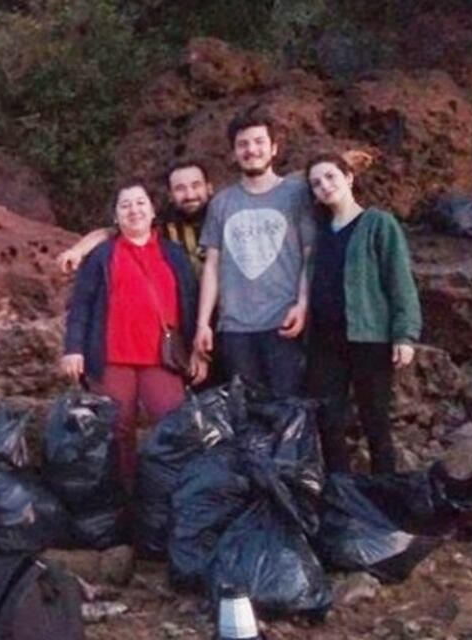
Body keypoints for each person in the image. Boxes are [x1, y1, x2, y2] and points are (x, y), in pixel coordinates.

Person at [61, 180, 202, 488]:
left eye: (140, 203)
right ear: (115, 218)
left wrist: (196, 352)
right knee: (116, 430)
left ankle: (173, 495)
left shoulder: (173, 253)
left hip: (161, 357)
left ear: (152, 211)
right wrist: (74, 348)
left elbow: (189, 302)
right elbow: (81, 304)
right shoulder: (102, 255)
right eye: (125, 205)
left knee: (173, 423)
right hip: (112, 358)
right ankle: (123, 497)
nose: (134, 210)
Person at [305, 152, 421, 474]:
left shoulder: (378, 223)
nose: (325, 186)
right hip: (326, 342)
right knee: (328, 421)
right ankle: (343, 496)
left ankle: (386, 495)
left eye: (331, 176)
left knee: (375, 421)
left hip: (369, 338)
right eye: (316, 183)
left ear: (349, 177)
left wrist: (405, 333)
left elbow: (399, 281)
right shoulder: (319, 230)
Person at [192, 105, 316, 396]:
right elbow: (212, 265)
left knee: (288, 409)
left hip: (284, 323)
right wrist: (203, 324)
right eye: (243, 144)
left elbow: (310, 253)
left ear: (273, 148)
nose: (251, 150)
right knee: (248, 414)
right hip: (235, 328)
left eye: (259, 142)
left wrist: (303, 304)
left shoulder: (297, 194)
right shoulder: (221, 203)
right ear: (234, 153)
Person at [57, 159, 214, 273]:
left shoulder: (224, 217)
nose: (190, 195)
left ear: (209, 188)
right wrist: (77, 251)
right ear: (170, 195)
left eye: (196, 185)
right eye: (180, 189)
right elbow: (108, 232)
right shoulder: (164, 223)